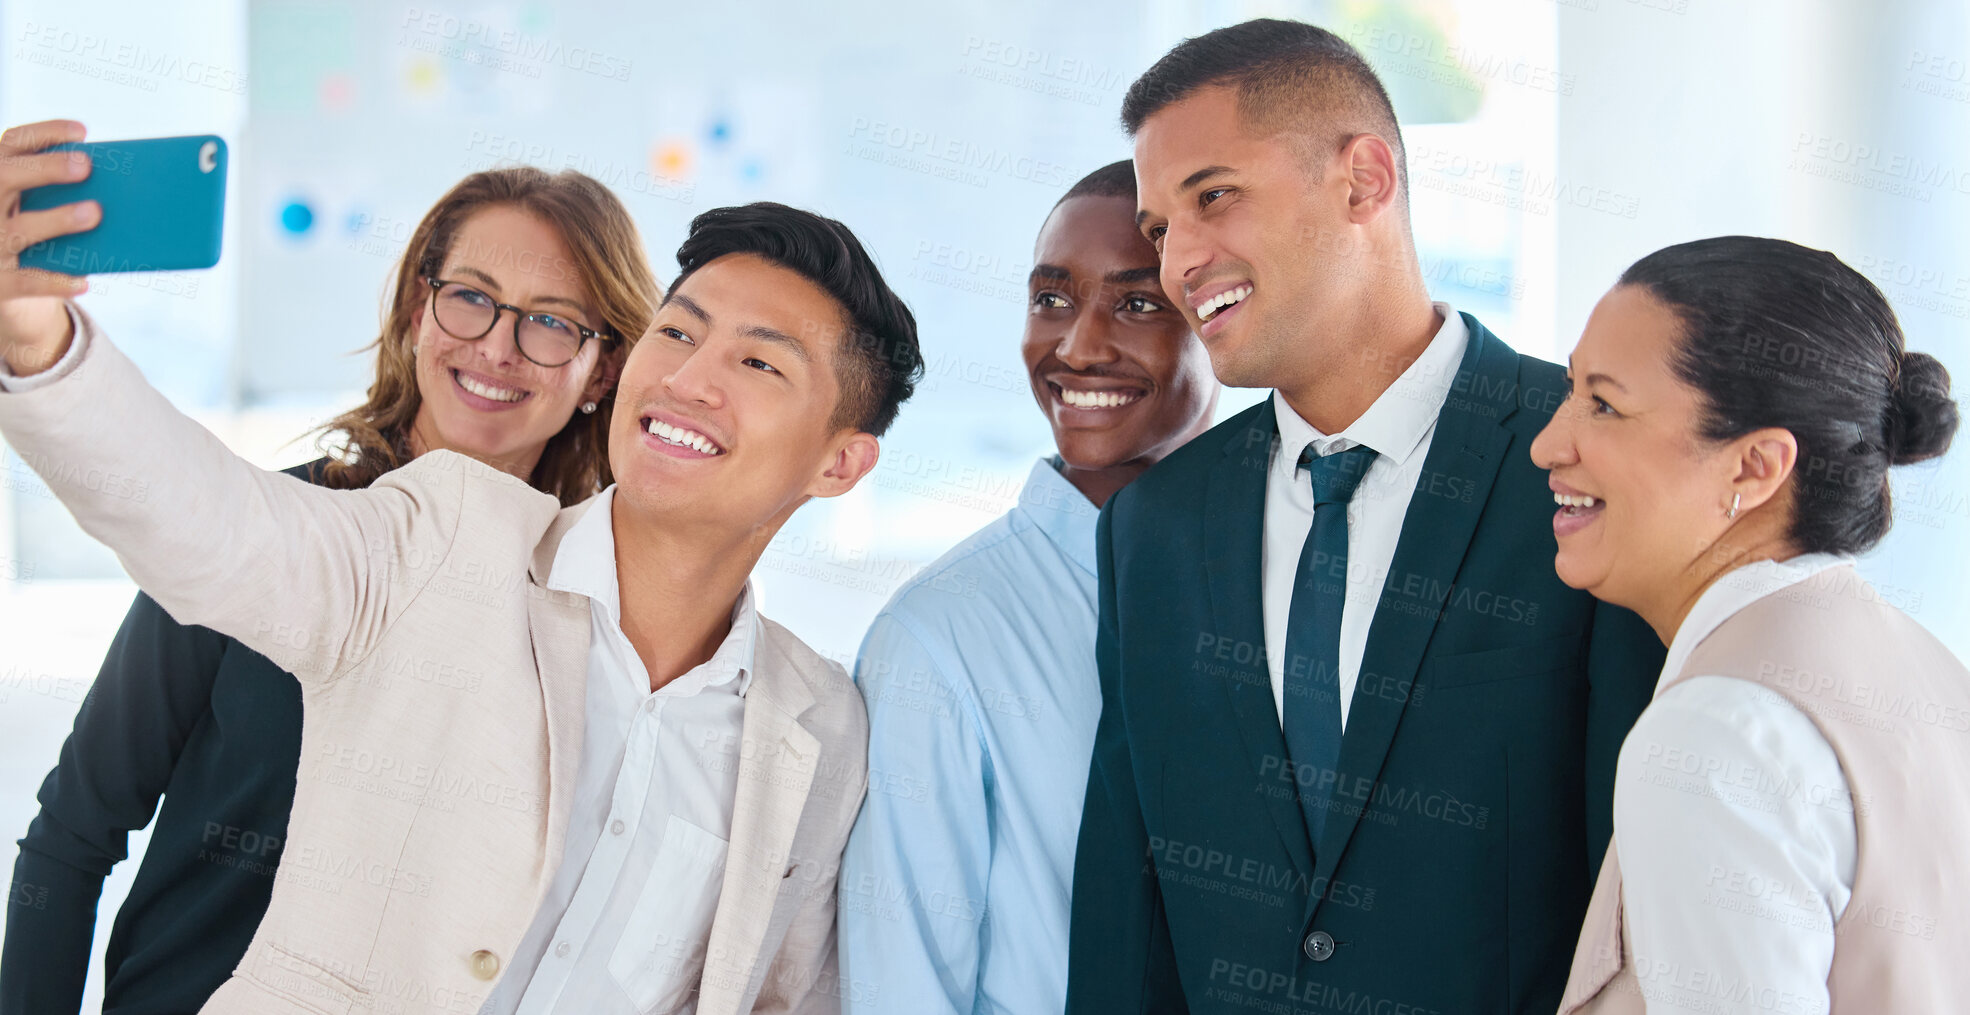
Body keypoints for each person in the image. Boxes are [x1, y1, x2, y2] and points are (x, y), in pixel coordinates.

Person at [0, 119, 922, 1015]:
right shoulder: (438, 533)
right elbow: (198, 514)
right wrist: (39, 345)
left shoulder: (822, 730)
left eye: (760, 362)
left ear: (839, 462)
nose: (689, 378)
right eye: (678, 334)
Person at [1066, 21, 1666, 1014]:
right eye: (1161, 227)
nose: (1178, 260)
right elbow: (1126, 927)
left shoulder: (1579, 462)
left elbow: (1635, 881)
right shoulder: (1152, 527)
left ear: (1362, 180)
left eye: (1212, 196)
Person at [0, 164, 657, 1015]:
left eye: (551, 323)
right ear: (419, 312)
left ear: (602, 372)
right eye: (471, 297)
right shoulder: (265, 536)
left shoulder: (584, 611)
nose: (497, 346)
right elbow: (76, 829)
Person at [1538, 237, 1967, 1015]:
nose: (1548, 443)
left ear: (1755, 466)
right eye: (1571, 391)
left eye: (1605, 403)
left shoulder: (1713, 735)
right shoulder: (1931, 671)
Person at [837, 159, 1217, 1014]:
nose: (1077, 345)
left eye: (1139, 302)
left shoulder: (1293, 589)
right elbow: (904, 985)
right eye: (1051, 299)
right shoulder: (937, 640)